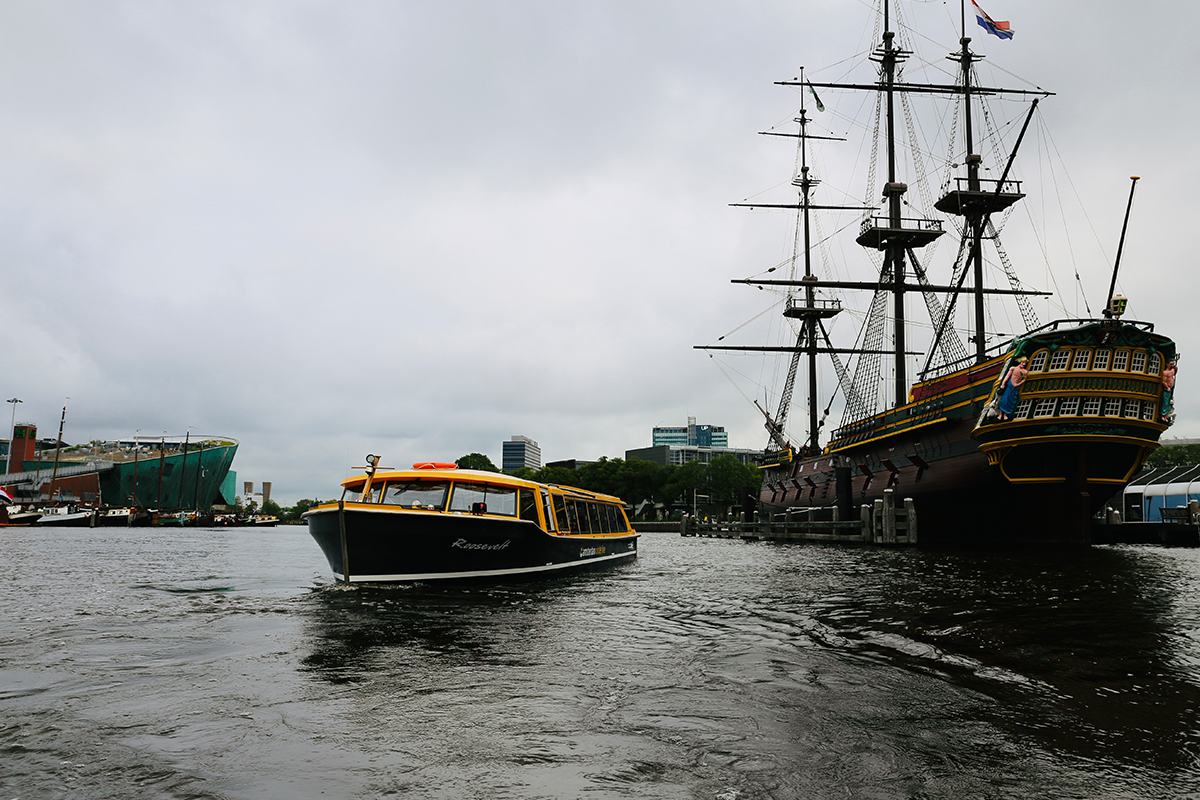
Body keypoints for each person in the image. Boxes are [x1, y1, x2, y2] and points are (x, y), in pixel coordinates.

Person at [996, 356, 1029, 421]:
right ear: (1020, 362)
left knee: (1011, 401)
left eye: (1025, 363)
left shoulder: (1025, 372)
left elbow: (1024, 379)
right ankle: (1000, 414)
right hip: (1010, 385)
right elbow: (1007, 376)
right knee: (1004, 399)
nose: (1023, 364)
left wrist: (1018, 384)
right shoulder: (1013, 368)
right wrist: (1003, 384)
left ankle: (1005, 414)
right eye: (1022, 362)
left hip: (1015, 387)